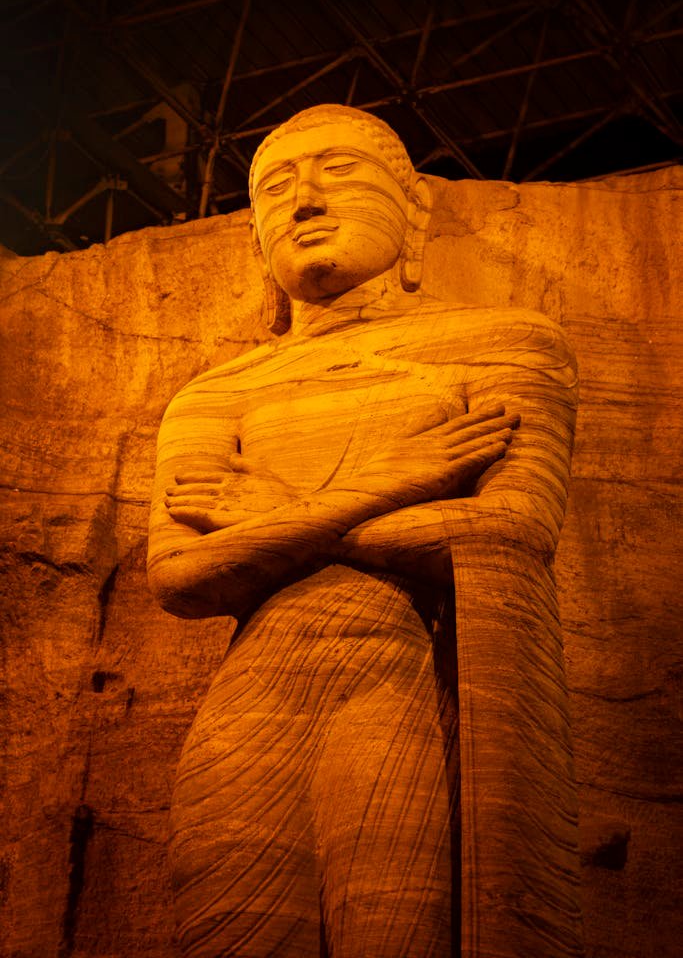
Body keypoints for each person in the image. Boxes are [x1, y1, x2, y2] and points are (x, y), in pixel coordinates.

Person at [147, 105, 582, 958]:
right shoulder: (215, 394)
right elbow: (180, 577)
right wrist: (389, 483)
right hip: (245, 708)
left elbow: (511, 532)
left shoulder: (501, 343)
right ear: (258, 242)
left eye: (338, 171)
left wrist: (275, 515)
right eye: (276, 187)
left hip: (395, 685)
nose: (304, 199)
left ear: (412, 212)